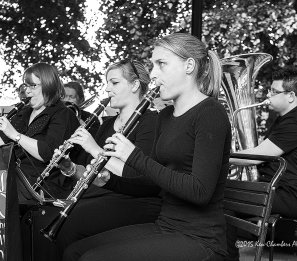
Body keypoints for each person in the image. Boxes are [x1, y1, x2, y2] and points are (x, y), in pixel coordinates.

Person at [62, 32, 232, 261]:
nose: (153, 74)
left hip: (201, 238)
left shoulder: (210, 113)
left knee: (93, 259)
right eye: (153, 66)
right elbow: (153, 185)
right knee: (74, 252)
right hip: (166, 226)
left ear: (189, 66)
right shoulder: (165, 116)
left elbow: (199, 191)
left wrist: (134, 156)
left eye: (161, 64)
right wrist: (109, 180)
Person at [54, 59, 161, 259]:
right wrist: (69, 167)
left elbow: (139, 175)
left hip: (136, 200)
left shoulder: (151, 121)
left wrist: (94, 148)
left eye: (114, 83)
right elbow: (91, 172)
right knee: (49, 216)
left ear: (135, 85)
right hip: (102, 195)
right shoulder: (107, 123)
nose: (107, 89)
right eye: (107, 83)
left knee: (71, 224)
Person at [226, 67, 297, 261]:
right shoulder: (287, 119)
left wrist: (220, 155)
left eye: (273, 91)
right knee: (225, 194)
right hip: (280, 190)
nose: (268, 95)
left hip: (293, 197)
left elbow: (259, 157)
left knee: (224, 197)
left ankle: (228, 257)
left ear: (291, 96)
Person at [0, 62, 81, 261]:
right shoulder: (23, 112)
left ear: (49, 86)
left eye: (33, 86)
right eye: (26, 85)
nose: (27, 91)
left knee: (0, 197)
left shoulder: (63, 114)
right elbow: (2, 144)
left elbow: (49, 153)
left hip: (45, 185)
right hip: (16, 179)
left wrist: (15, 135)